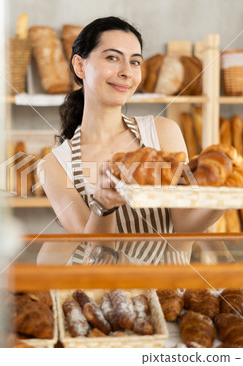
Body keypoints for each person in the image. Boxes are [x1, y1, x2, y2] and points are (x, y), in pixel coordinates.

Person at [37, 16, 223, 265]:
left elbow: (184, 226)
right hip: (114, 299)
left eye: (135, 62)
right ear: (80, 66)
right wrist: (103, 205)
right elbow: (97, 253)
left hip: (171, 294)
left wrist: (222, 199)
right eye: (112, 58)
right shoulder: (55, 165)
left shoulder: (162, 132)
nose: (126, 72)